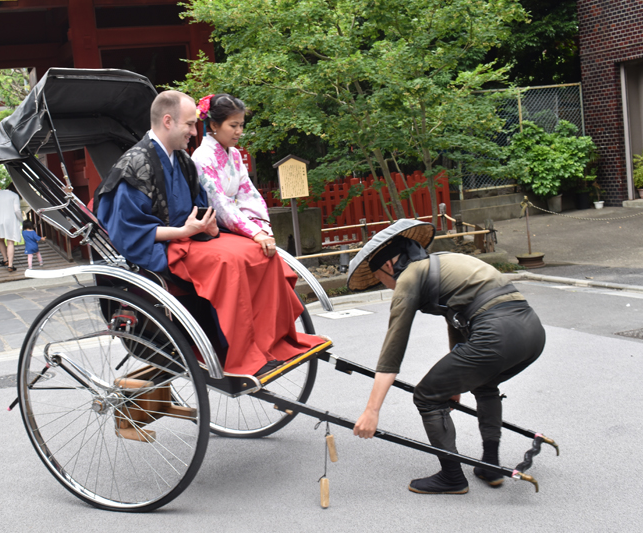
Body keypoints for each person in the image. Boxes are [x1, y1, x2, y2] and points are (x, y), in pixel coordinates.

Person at [94, 90, 328, 376]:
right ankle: (238, 353)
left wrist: (207, 224)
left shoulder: (179, 158)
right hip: (162, 245)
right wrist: (183, 230)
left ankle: (273, 342)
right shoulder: (135, 166)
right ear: (168, 121)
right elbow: (128, 232)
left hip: (190, 236)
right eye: (190, 124)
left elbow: (201, 204)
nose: (195, 131)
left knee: (256, 252)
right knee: (228, 262)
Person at [349, 219, 546, 494]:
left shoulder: (408, 278)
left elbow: (393, 350)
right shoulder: (442, 262)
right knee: (485, 384)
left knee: (426, 395)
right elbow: (458, 319)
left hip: (496, 335)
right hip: (533, 333)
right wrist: (455, 381)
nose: (388, 288)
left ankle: (452, 476)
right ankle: (490, 465)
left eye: (383, 282)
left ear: (389, 266)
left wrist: (372, 410)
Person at [191, 93, 276, 257]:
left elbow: (249, 196)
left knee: (266, 251)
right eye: (233, 125)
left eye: (241, 125)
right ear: (214, 125)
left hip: (238, 222)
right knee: (251, 253)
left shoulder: (235, 155)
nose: (239, 131)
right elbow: (219, 202)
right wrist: (253, 232)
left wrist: (261, 229)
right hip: (214, 228)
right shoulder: (202, 157)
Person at [0, 182, 23, 272]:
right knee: (10, 242)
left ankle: (5, 259)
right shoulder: (15, 196)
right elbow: (17, 210)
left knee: (0, 240)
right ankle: (10, 265)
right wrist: (22, 220)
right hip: (9, 220)